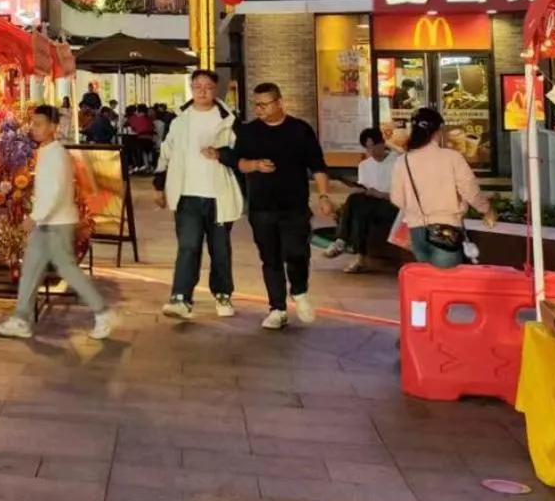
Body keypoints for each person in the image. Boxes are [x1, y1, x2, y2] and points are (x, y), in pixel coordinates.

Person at [0, 105, 115, 341]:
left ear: (53, 127)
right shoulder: (46, 152)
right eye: (33, 123)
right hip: (49, 222)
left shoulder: (56, 155)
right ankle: (21, 319)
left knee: (66, 269)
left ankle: (102, 312)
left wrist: (35, 217)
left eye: (39, 124)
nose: (34, 128)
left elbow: (55, 192)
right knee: (31, 269)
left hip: (56, 224)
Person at [218, 83, 332, 331]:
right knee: (270, 258)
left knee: (297, 252)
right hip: (261, 207)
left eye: (264, 104)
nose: (259, 109)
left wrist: (323, 196)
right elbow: (238, 161)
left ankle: (299, 291)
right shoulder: (249, 132)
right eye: (256, 104)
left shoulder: (299, 130)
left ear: (279, 103)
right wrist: (255, 165)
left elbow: (317, 165)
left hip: (294, 206)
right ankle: (277, 309)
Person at [152, 70, 241, 320]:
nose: (202, 91)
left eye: (208, 86)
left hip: (219, 195)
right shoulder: (179, 120)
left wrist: (221, 154)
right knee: (188, 246)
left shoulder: (229, 120)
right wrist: (159, 185)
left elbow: (240, 155)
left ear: (216, 89)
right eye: (197, 86)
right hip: (187, 194)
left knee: (220, 249)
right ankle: (181, 297)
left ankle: (223, 294)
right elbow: (166, 152)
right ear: (191, 89)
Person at [390, 107, 494, 269]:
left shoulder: (402, 161)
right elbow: (470, 191)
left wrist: (417, 212)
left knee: (428, 281)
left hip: (417, 233)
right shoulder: (452, 158)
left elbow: (397, 199)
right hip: (446, 230)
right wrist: (486, 210)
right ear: (440, 129)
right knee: (447, 281)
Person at [328, 128, 400, 273]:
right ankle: (347, 246)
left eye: (374, 146)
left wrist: (381, 194)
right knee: (356, 201)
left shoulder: (398, 162)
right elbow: (363, 187)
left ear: (382, 143)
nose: (372, 151)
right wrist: (361, 190)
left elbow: (403, 193)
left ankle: (345, 243)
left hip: (391, 204)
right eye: (368, 148)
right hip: (370, 204)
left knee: (359, 208)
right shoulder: (364, 165)